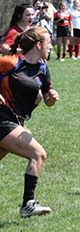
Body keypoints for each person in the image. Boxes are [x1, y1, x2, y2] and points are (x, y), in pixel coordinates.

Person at [0, 27, 59, 217]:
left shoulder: (42, 69)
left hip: (16, 123)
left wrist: (51, 99)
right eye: (49, 42)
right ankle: (28, 204)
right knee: (38, 154)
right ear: (39, 45)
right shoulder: (11, 62)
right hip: (2, 119)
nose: (52, 46)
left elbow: (47, 100)